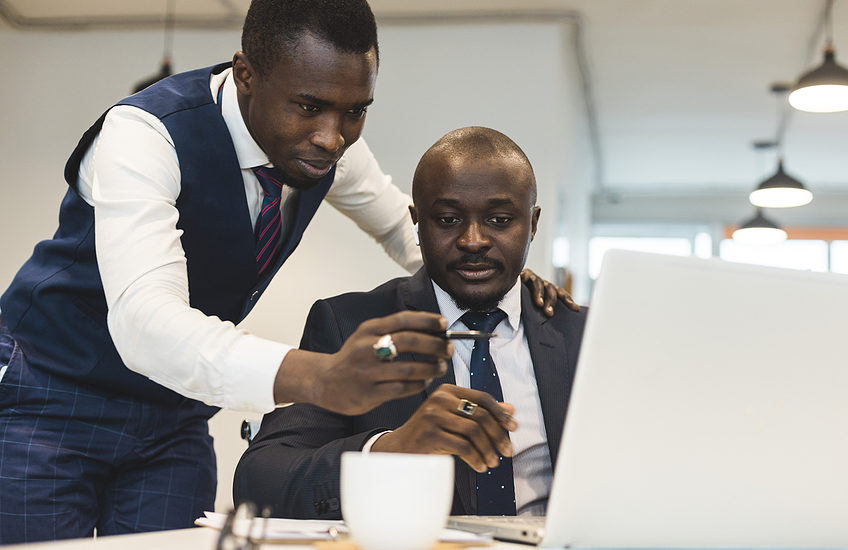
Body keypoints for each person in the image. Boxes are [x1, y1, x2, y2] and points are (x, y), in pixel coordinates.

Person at [0, 0, 574, 543]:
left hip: (172, 414)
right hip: (52, 392)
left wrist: (508, 283)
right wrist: (323, 377)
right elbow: (146, 324)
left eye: (355, 112)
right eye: (308, 106)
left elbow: (413, 232)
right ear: (246, 74)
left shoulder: (325, 146)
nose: (332, 137)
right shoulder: (142, 134)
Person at [233, 126, 588, 519]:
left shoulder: (581, 335)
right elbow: (259, 482)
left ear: (533, 224)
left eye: (500, 220)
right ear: (417, 222)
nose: (473, 240)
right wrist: (391, 448)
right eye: (449, 220)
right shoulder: (349, 324)